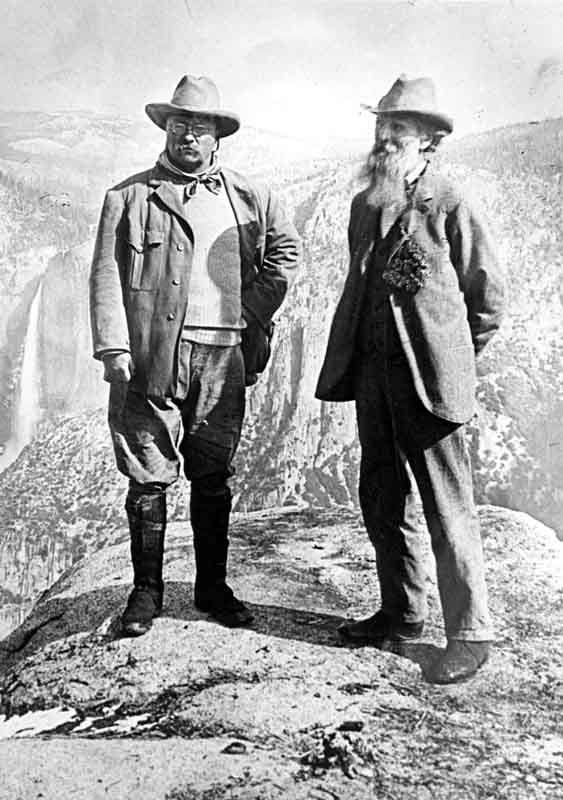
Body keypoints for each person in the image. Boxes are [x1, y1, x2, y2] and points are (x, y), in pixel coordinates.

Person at [90, 75, 300, 636]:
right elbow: (106, 274)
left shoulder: (250, 196)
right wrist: (114, 346)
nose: (188, 134)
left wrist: (254, 311)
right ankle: (146, 593)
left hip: (225, 355)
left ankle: (212, 589)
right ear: (166, 128)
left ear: (216, 137)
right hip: (152, 356)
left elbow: (286, 252)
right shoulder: (128, 198)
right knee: (147, 474)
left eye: (200, 126)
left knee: (213, 474)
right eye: (180, 123)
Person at [315, 75, 505, 684]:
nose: (384, 137)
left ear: (428, 140)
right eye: (381, 126)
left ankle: (471, 634)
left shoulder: (449, 200)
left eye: (397, 129)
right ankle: (402, 612)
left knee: (447, 506)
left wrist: (453, 357)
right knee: (381, 496)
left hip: (430, 382)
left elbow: (489, 297)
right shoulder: (365, 203)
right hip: (374, 377)